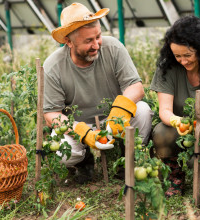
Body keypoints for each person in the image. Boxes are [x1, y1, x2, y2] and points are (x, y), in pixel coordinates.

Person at [43, 3, 153, 184]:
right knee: (62, 151)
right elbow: (51, 115)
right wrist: (84, 133)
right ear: (69, 42)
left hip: (113, 117)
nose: (96, 45)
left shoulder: (113, 48)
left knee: (142, 110)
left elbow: (136, 87)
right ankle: (84, 161)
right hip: (78, 124)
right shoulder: (53, 66)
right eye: (88, 41)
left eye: (98, 36)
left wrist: (119, 112)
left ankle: (127, 160)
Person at [150, 16, 200, 196]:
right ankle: (175, 177)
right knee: (162, 132)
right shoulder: (167, 69)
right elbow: (164, 111)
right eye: (177, 56)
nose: (183, 61)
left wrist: (195, 126)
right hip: (178, 128)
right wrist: (179, 121)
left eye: (188, 55)